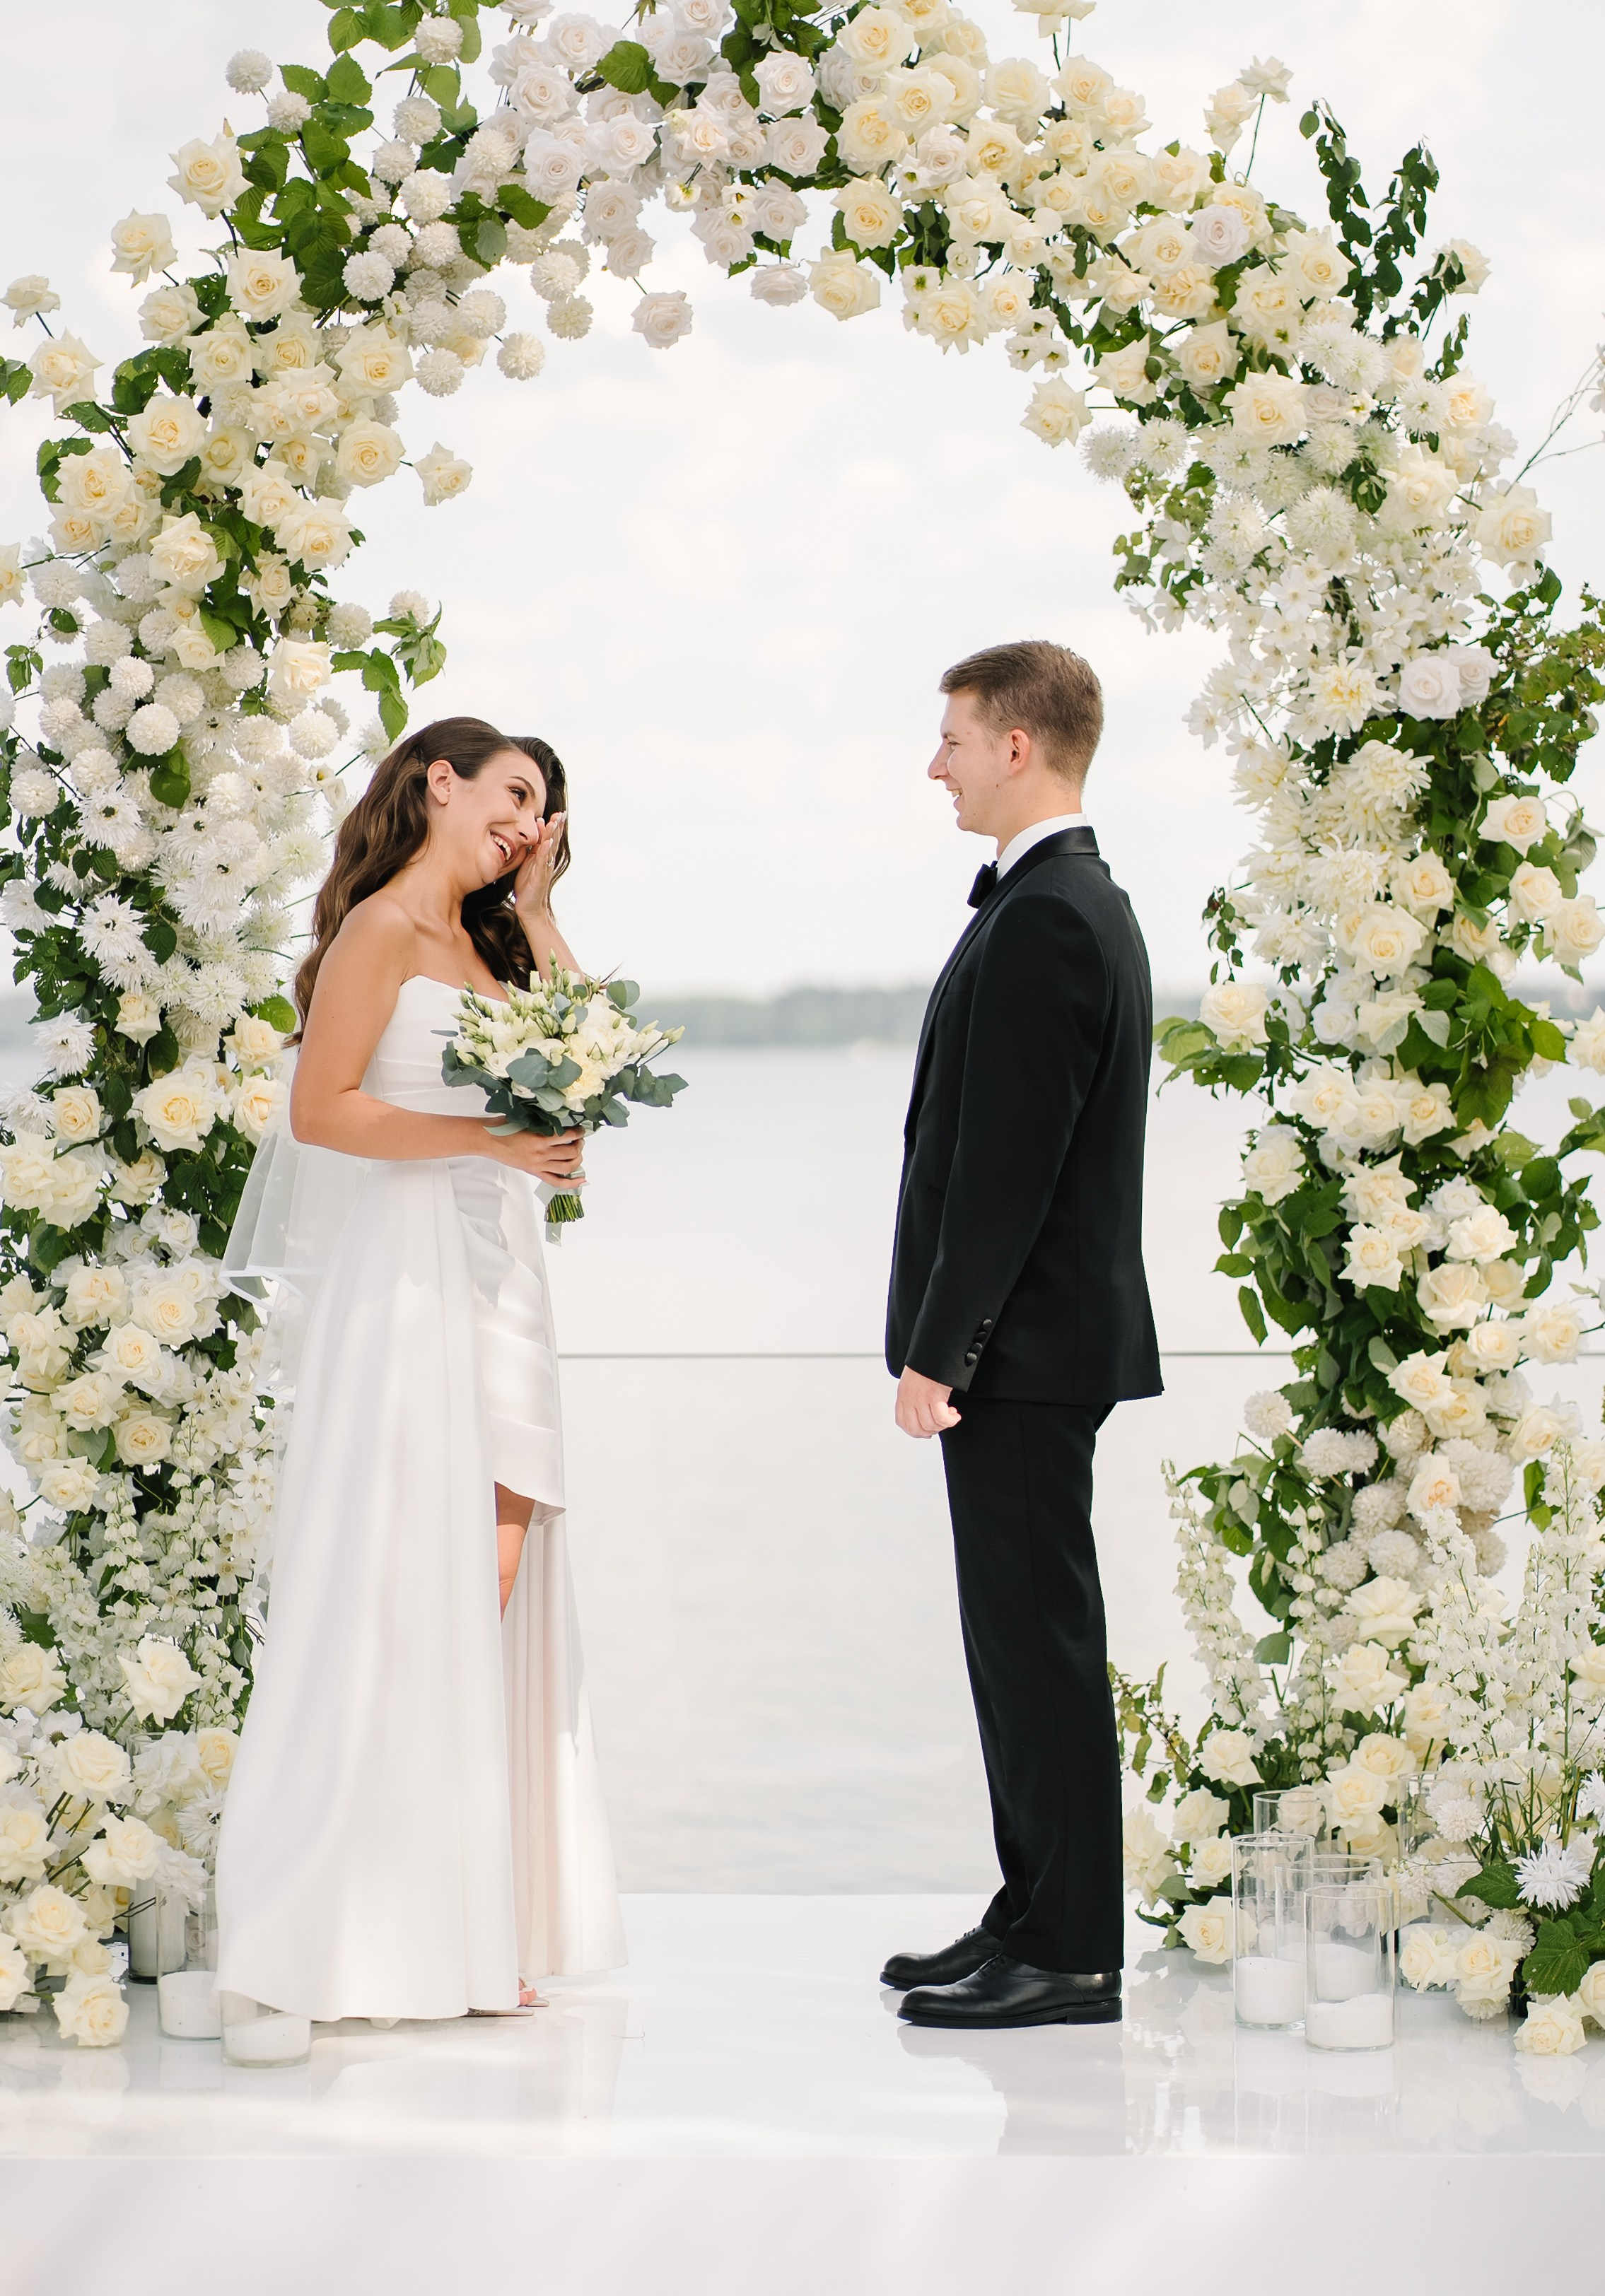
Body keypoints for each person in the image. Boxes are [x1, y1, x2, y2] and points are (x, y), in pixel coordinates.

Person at [215, 715, 626, 2022]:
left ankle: (462, 1906)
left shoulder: (492, 941)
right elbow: (320, 1110)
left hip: (502, 1274)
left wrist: (541, 905)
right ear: (435, 782)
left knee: (496, 1571)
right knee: (419, 1577)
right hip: (410, 1275)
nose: (523, 817)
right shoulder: (382, 930)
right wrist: (488, 1141)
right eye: (510, 792)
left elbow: (593, 1054)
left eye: (544, 806)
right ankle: (389, 1914)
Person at [882, 641, 1161, 2030]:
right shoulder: (1053, 898)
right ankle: (1032, 1911)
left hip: (1023, 1352)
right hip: (1032, 1347)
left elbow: (1009, 1170)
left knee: (1037, 1645)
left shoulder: (1053, 913)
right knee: (1018, 1644)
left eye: (951, 738)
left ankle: (1069, 1952)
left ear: (1016, 747)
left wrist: (943, 1351)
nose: (932, 764)